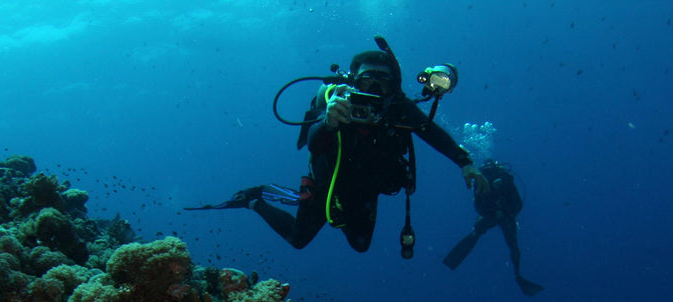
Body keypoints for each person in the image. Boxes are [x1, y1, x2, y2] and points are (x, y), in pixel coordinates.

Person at [207, 48, 488, 254]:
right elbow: (313, 144)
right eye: (368, 78)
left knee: (361, 246)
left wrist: (465, 161)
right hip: (325, 183)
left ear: (394, 85)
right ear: (355, 79)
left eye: (383, 79)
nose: (376, 85)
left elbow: (432, 133)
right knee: (297, 239)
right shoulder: (338, 100)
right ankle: (255, 198)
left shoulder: (398, 108)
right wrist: (329, 122)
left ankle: (335, 210)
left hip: (366, 189)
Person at [443, 159, 543, 296]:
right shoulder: (485, 182)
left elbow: (514, 204)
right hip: (496, 215)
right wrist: (495, 213)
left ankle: (518, 275)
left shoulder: (504, 181)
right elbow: (482, 206)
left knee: (508, 243)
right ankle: (518, 275)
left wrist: (504, 212)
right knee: (511, 244)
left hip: (503, 215)